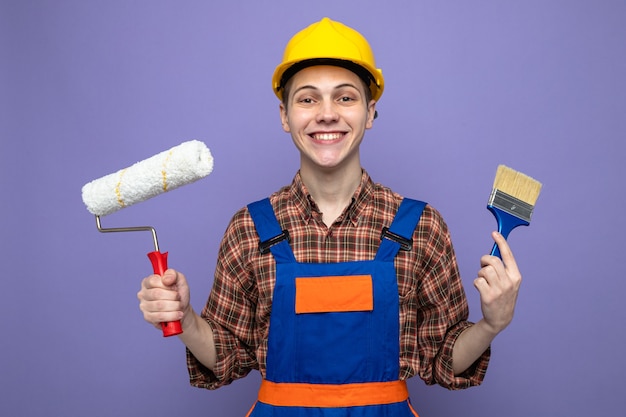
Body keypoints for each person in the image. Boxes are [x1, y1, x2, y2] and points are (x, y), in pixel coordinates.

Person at [137, 17, 522, 416]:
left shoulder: (421, 227)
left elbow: (444, 360)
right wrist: (184, 318)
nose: (326, 114)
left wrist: (491, 324)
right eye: (307, 99)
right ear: (285, 116)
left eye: (345, 97)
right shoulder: (249, 228)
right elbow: (225, 356)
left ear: (370, 112)